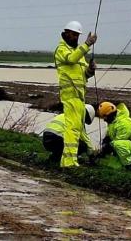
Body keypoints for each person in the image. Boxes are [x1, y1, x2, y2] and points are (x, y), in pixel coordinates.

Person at [54, 21, 97, 167]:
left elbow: (85, 75)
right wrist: (87, 45)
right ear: (66, 33)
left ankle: (69, 160)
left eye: (77, 35)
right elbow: (71, 59)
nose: (75, 37)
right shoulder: (61, 49)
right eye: (73, 34)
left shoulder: (79, 53)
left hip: (80, 97)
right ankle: (69, 162)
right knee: (72, 129)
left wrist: (91, 70)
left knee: (77, 130)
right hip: (70, 95)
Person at [96, 101, 131, 170]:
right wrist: (104, 143)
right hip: (125, 144)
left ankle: (130, 165)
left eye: (105, 116)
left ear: (110, 114)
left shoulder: (124, 123)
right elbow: (110, 136)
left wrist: (106, 148)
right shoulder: (113, 121)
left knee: (117, 144)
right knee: (115, 166)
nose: (104, 119)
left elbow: (118, 141)